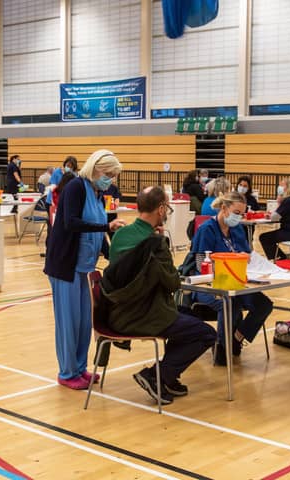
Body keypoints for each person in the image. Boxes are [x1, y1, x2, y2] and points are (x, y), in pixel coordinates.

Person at [104, 186, 216, 404]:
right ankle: (157, 375)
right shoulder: (155, 244)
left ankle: (169, 377)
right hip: (146, 314)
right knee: (206, 333)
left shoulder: (120, 235)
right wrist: (163, 245)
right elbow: (173, 283)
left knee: (186, 318)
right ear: (161, 209)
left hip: (118, 311)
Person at [44, 150, 126, 390]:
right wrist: (105, 225)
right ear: (95, 168)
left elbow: (98, 232)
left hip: (85, 267)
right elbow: (71, 222)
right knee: (68, 322)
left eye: (113, 176)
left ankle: (80, 368)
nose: (110, 179)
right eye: (108, 174)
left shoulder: (97, 194)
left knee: (82, 322)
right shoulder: (76, 188)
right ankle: (67, 372)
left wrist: (114, 253)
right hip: (66, 266)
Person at [191, 191, 273, 365]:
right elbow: (200, 264)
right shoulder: (207, 229)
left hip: (236, 281)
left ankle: (236, 338)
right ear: (224, 208)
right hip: (208, 283)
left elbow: (246, 253)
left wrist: (246, 257)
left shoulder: (236, 229)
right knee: (229, 302)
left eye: (242, 214)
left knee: (264, 304)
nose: (239, 217)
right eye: (236, 213)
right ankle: (222, 346)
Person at [259, 178, 290, 260]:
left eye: (281, 185)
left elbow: (274, 218)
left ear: (288, 187)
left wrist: (279, 203)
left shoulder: (288, 201)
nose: (279, 187)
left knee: (264, 237)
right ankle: (281, 258)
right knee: (267, 237)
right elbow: (279, 215)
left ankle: (281, 259)